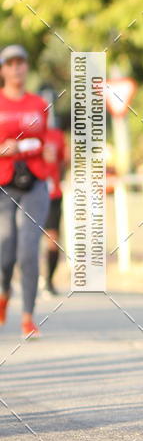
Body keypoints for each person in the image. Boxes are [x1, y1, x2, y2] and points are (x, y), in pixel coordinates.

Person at [0, 45, 50, 338]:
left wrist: (30, 147)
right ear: (3, 69)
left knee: (28, 251)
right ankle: (4, 292)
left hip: (35, 181)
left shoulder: (38, 103)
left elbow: (48, 141)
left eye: (22, 63)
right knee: (5, 252)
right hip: (4, 183)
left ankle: (28, 318)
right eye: (11, 63)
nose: (17, 68)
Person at [42, 113, 67, 295]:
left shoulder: (57, 135)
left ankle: (49, 281)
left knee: (52, 239)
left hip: (52, 195)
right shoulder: (23, 131)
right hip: (26, 193)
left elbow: (64, 160)